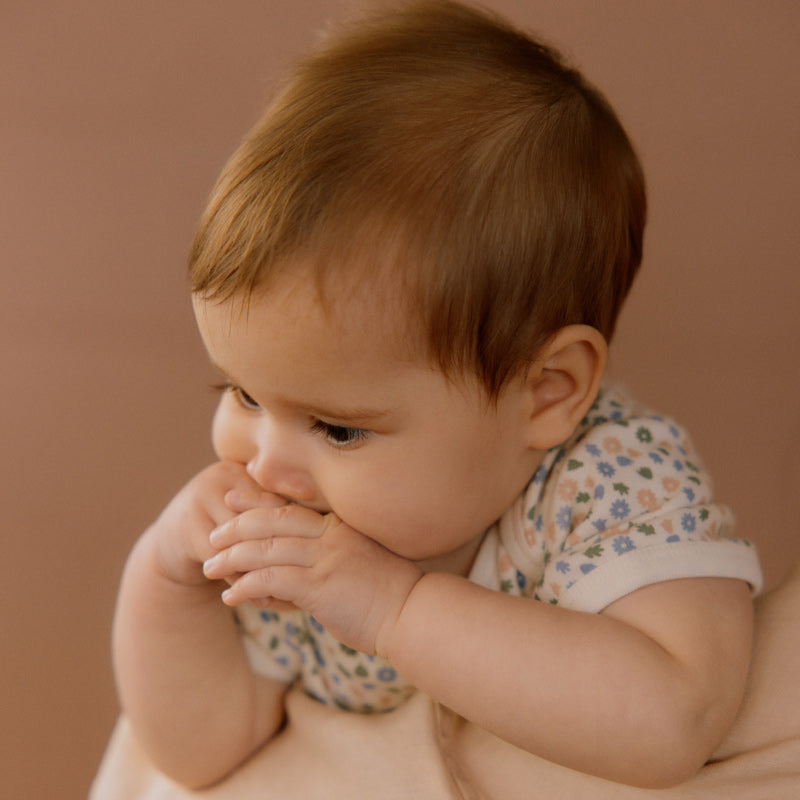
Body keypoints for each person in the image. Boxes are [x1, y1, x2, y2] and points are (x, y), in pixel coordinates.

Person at [112, 0, 762, 791]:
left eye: (338, 430)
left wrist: (396, 610)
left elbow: (674, 719)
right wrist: (165, 576)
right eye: (244, 394)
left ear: (546, 393)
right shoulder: (299, 538)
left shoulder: (607, 479)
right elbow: (201, 755)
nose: (266, 466)